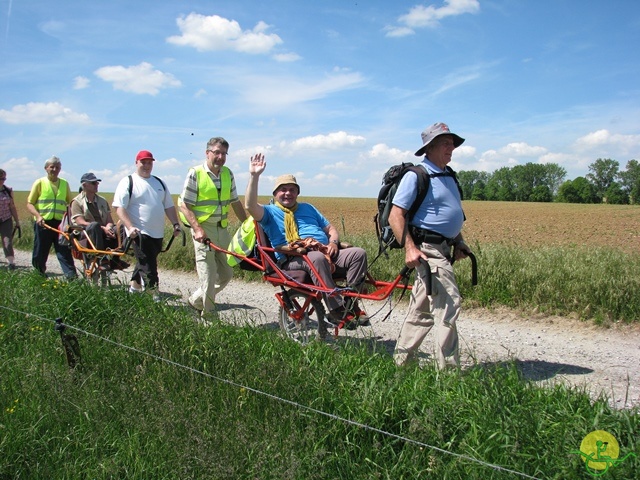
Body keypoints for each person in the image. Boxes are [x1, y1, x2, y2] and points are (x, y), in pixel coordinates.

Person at [245, 154, 369, 324]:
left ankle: (350, 301)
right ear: (275, 193)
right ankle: (335, 309)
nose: (288, 193)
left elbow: (330, 229)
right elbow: (250, 205)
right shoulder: (268, 212)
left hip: (324, 250)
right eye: (283, 189)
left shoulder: (308, 208)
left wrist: (333, 242)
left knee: (358, 253)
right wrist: (254, 176)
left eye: (292, 189)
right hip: (293, 257)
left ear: (297, 192)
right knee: (316, 258)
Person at [390, 122, 472, 370]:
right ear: (431, 147)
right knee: (449, 304)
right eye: (446, 143)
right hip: (428, 250)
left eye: (452, 144)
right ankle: (448, 376)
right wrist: (409, 248)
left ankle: (400, 365)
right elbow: (396, 215)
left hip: (444, 250)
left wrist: (458, 241)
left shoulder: (448, 175)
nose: (451, 148)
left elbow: (450, 214)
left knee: (421, 311)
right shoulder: (416, 175)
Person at [178, 137, 247, 315]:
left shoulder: (227, 174)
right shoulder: (196, 173)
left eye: (224, 153)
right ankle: (209, 320)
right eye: (217, 152)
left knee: (226, 273)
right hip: (203, 230)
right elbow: (184, 205)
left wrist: (248, 224)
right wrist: (197, 229)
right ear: (207, 153)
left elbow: (235, 202)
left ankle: (195, 301)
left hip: (221, 228)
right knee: (208, 276)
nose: (221, 157)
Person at [112, 150, 182, 296]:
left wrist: (175, 224)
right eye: (143, 162)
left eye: (149, 162)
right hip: (138, 233)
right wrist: (130, 227)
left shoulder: (159, 183)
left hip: (157, 233)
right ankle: (154, 298)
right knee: (149, 266)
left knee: (144, 262)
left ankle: (133, 292)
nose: (146, 165)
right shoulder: (128, 182)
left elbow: (168, 206)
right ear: (136, 163)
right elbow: (119, 208)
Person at [26, 156, 77, 279]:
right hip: (43, 223)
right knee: (40, 251)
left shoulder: (64, 183)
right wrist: (38, 216)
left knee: (64, 250)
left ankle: (72, 278)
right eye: (52, 167)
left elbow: (71, 203)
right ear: (46, 168)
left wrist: (73, 220)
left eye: (57, 167)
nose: (55, 169)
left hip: (60, 224)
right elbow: (29, 203)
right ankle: (39, 275)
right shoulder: (39, 182)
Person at [71, 172, 128, 270]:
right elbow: (80, 221)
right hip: (87, 233)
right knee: (94, 225)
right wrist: (102, 228)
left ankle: (116, 258)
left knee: (121, 226)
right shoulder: (76, 202)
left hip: (103, 230)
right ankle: (102, 259)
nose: (97, 185)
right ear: (84, 185)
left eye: (97, 183)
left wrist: (109, 227)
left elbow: (109, 220)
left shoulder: (102, 200)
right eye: (93, 183)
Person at [0, 169, 20, 270]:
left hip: (6, 219)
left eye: (4, 178)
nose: (2, 181)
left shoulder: (8, 190)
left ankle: (11, 263)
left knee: (7, 241)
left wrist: (17, 221)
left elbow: (12, 206)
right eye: (0, 178)